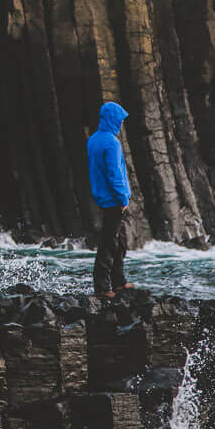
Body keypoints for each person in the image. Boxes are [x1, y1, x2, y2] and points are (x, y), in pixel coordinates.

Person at [87, 100, 133, 296]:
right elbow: (115, 174)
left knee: (120, 242)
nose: (122, 123)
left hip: (103, 196)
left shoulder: (94, 139)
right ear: (113, 120)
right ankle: (102, 286)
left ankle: (119, 281)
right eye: (120, 119)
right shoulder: (112, 143)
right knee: (109, 243)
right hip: (114, 200)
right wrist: (123, 198)